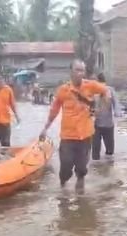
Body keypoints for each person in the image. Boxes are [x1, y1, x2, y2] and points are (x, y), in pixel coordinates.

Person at [39, 59, 111, 189]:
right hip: (68, 136)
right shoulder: (63, 90)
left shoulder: (91, 85)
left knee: (82, 169)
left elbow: (106, 91)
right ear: (71, 72)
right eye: (77, 70)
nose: (80, 73)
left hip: (85, 135)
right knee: (66, 167)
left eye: (82, 70)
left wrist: (101, 109)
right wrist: (45, 128)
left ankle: (80, 196)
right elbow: (54, 110)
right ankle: (63, 187)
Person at [92, 73, 121, 161]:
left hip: (108, 125)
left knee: (110, 152)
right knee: (95, 152)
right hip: (96, 125)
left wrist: (117, 112)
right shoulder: (92, 92)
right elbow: (87, 105)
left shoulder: (110, 90)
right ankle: (97, 169)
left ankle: (108, 169)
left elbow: (116, 102)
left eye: (94, 80)